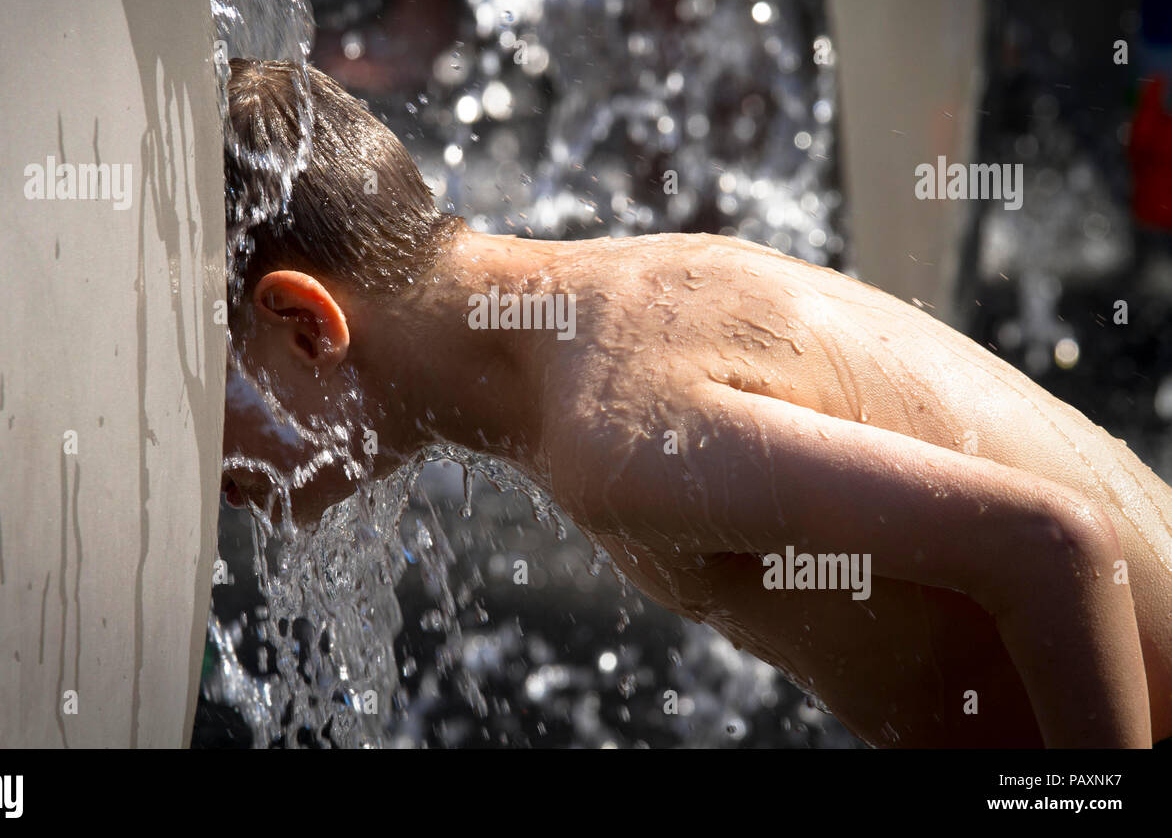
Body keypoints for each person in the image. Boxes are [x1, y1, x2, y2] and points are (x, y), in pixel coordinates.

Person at [220, 58, 1172, 748]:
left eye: (207, 376)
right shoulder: (615, 294)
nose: (202, 458)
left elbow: (1053, 547)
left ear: (309, 324)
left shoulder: (618, 436)